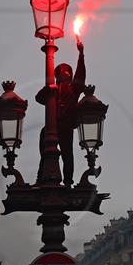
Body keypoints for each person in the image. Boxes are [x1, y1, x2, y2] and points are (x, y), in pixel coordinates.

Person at [35, 38, 86, 185]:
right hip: (53, 126)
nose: (64, 74)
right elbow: (38, 98)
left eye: (66, 71)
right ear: (57, 76)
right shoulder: (53, 90)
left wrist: (81, 54)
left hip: (65, 125)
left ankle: (68, 181)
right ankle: (41, 178)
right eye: (61, 72)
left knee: (67, 155)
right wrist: (48, 89)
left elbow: (81, 75)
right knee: (46, 153)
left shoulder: (74, 88)